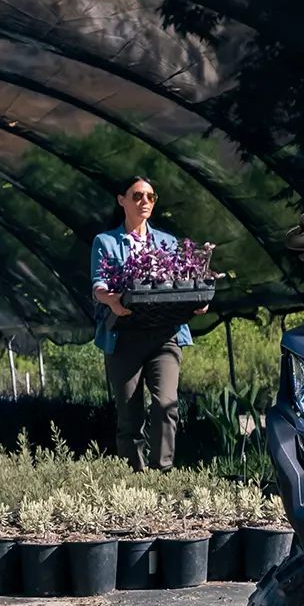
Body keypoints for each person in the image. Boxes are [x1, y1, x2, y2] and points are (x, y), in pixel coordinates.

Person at [91, 176, 192, 468]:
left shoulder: (166, 242)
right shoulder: (106, 242)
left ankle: (163, 473)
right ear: (121, 200)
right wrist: (110, 299)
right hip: (124, 336)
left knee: (166, 406)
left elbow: (181, 283)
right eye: (137, 196)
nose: (144, 202)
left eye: (150, 196)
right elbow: (99, 283)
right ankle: (134, 483)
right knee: (129, 417)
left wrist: (193, 301)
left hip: (164, 336)